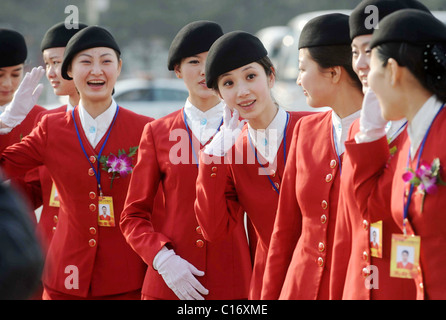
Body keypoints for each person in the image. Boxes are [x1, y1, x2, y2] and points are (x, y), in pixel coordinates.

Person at [0, 25, 153, 299]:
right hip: (62, 276)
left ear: (119, 67)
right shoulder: (51, 127)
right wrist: (5, 123)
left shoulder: (146, 130)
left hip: (126, 277)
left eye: (106, 61)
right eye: (85, 62)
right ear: (69, 70)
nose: (96, 71)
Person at [120, 21, 252, 300]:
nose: (205, 70)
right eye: (194, 61)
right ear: (178, 70)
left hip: (234, 283)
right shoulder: (157, 132)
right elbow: (133, 215)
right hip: (169, 283)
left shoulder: (250, 129)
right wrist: (162, 260)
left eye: (212, 59)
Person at [194, 31, 312, 299]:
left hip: (323, 278)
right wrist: (211, 157)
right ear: (218, 94)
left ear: (270, 76)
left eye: (250, 76)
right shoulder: (231, 152)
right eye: (228, 83)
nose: (243, 91)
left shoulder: (314, 128)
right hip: (271, 283)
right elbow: (213, 229)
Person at [329, 0, 431, 300]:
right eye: (355, 52)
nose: (360, 64)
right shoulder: (358, 129)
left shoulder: (432, 129)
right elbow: (347, 232)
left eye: (371, 51)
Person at [261, 13, 363, 300]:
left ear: (334, 72)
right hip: (300, 288)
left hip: (353, 288)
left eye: (303, 68)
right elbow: (285, 231)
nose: (297, 78)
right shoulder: (306, 130)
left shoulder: (383, 134)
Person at [360, 9, 446, 299]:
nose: (368, 82)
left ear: (393, 71)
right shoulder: (412, 141)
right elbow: (369, 209)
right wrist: (368, 136)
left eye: (371, 68)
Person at [0, 28, 46, 216]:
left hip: (20, 224)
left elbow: (41, 185)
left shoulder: (40, 117)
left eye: (15, 74)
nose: (7, 84)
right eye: (0, 74)